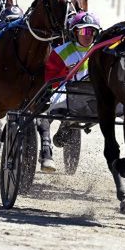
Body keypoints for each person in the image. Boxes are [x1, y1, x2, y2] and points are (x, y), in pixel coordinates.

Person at [39, 11, 102, 172]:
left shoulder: (101, 51)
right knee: (46, 113)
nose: (87, 35)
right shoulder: (61, 52)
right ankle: (46, 151)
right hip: (65, 92)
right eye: (83, 31)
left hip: (94, 95)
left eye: (91, 31)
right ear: (74, 32)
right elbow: (51, 79)